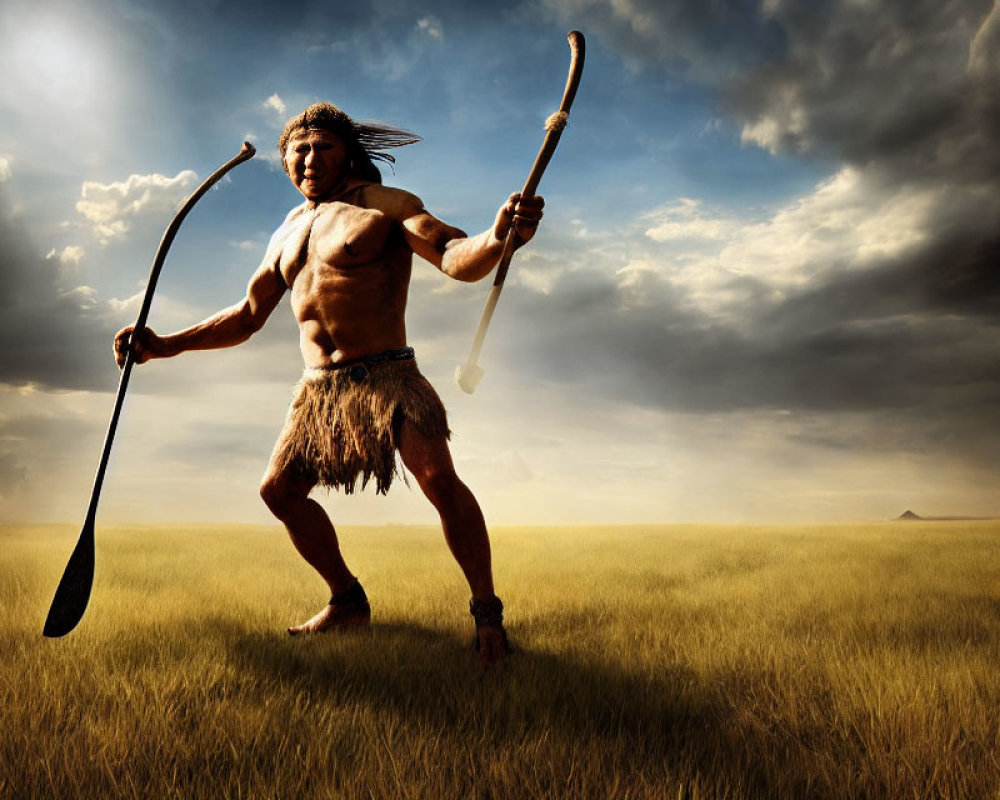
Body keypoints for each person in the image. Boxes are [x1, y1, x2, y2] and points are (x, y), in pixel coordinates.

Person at [114, 102, 543, 664]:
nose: (309, 158)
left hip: (388, 374)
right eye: (299, 149)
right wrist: (165, 344)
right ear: (286, 161)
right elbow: (247, 314)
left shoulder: (386, 206)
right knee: (279, 491)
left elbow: (453, 255)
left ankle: (488, 617)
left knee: (438, 477)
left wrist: (498, 237)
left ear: (349, 154)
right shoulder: (287, 233)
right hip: (318, 390)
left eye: (323, 147)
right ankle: (347, 601)